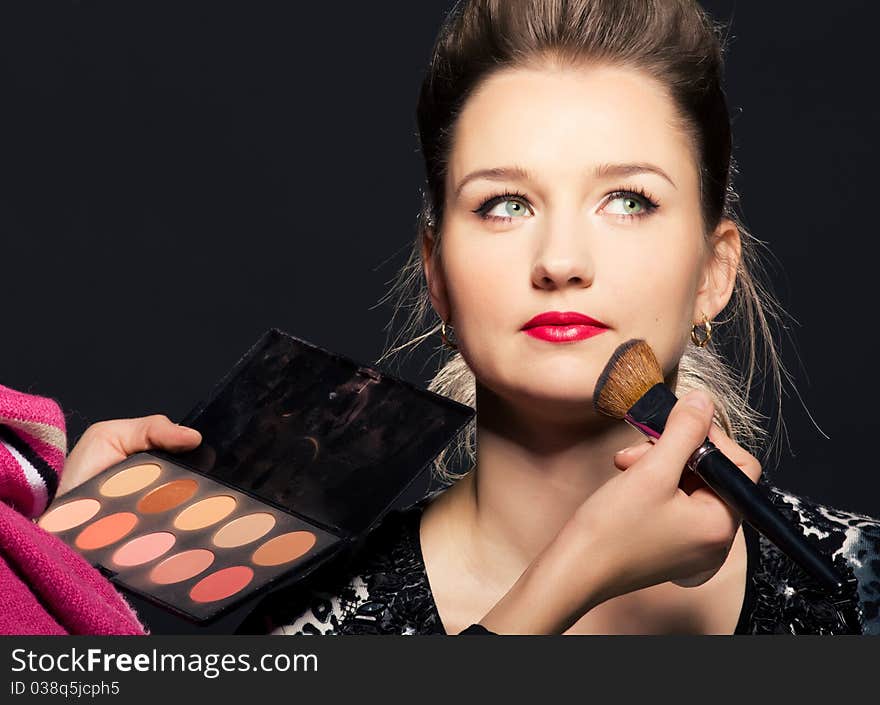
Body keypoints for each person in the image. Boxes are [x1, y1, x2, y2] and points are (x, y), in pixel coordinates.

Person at [56, 0, 880, 635]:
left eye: (627, 200)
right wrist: (574, 572)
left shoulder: (859, 580)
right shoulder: (314, 628)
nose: (561, 259)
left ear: (712, 273)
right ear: (437, 276)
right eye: (505, 203)